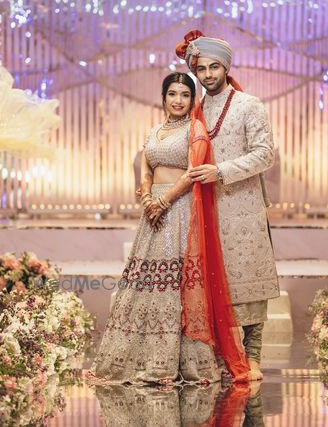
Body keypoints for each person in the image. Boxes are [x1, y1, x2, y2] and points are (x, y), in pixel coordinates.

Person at [87, 72, 249, 386]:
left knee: (175, 281)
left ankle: (178, 360)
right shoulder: (155, 131)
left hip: (179, 209)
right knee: (146, 281)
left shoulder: (195, 129)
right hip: (152, 211)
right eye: (172, 94)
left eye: (185, 95)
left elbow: (192, 173)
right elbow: (146, 167)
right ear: (163, 98)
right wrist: (147, 197)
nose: (178, 100)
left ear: (192, 99)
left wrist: (164, 202)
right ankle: (137, 357)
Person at [176, 30, 280, 381]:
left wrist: (220, 172)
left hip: (243, 208)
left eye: (214, 67)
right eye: (201, 69)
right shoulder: (195, 110)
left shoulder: (249, 105)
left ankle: (253, 357)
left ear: (226, 67)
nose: (208, 75)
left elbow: (265, 154)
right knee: (215, 285)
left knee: (248, 281)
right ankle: (223, 356)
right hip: (205, 210)